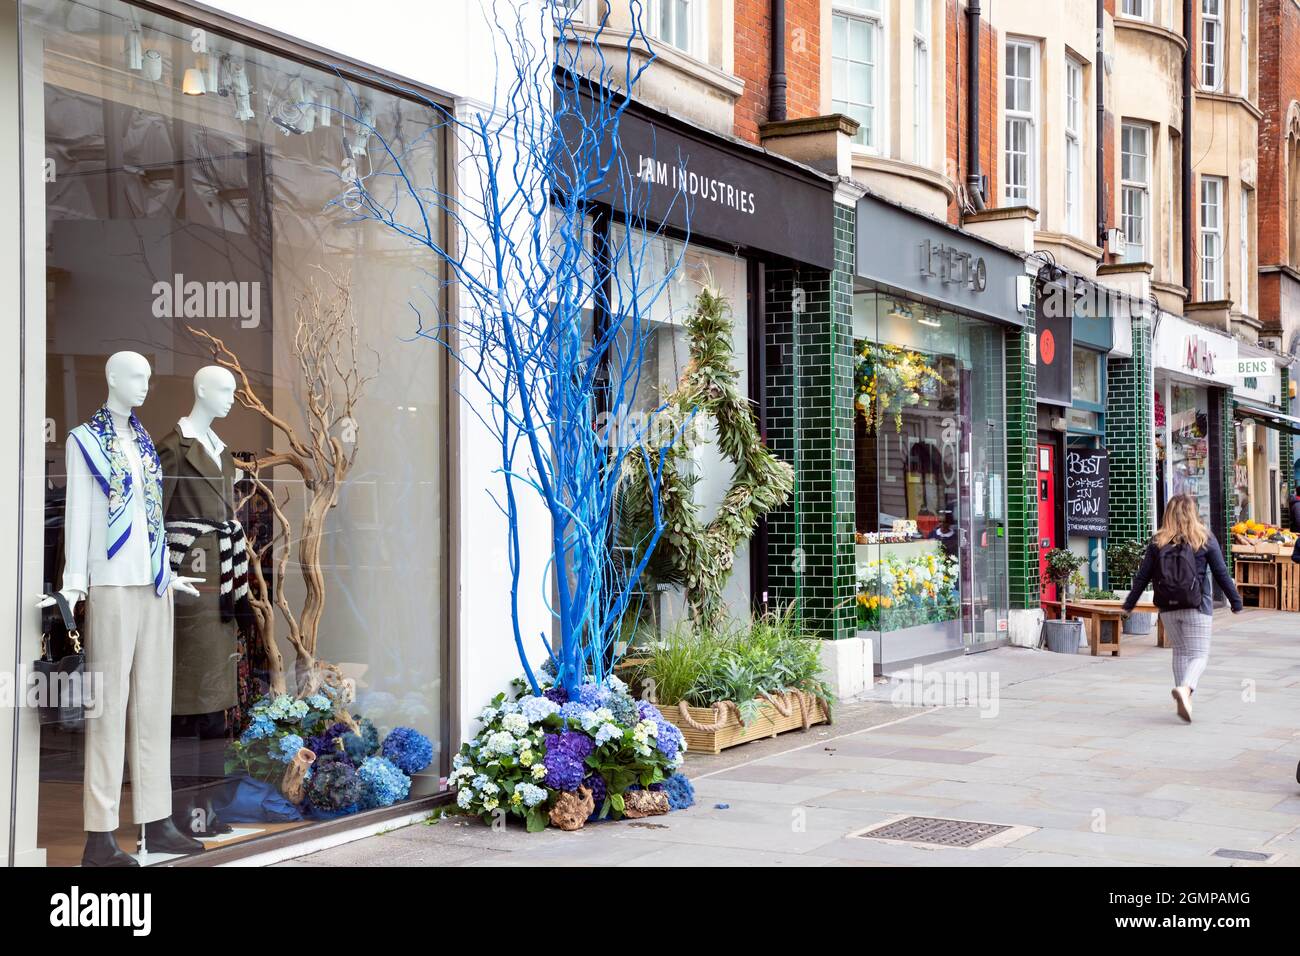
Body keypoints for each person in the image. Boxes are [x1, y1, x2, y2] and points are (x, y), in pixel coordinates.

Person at [1121, 494, 1243, 723]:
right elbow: (1221, 573)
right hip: (1197, 605)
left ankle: (1183, 697)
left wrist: (1129, 604)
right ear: (1193, 512)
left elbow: (1143, 576)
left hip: (1168, 607)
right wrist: (1235, 602)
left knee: (1179, 651)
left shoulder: (1158, 541)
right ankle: (1186, 690)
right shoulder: (1203, 538)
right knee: (1199, 654)